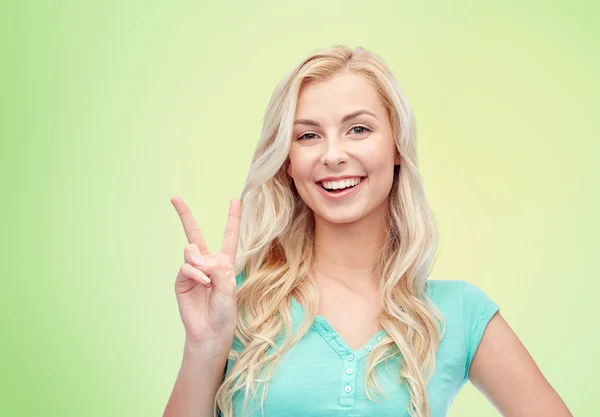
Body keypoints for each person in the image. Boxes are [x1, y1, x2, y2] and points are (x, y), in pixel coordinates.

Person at [163, 45, 572, 417]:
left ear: (397, 145)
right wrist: (204, 347)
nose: (334, 155)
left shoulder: (458, 315)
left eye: (358, 129)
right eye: (308, 136)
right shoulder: (238, 305)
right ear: (287, 161)